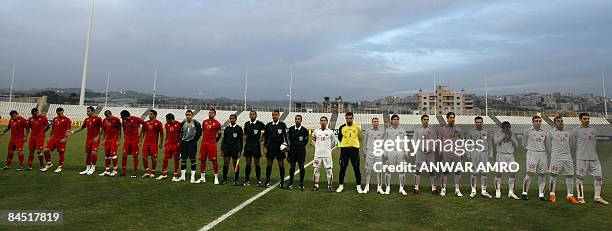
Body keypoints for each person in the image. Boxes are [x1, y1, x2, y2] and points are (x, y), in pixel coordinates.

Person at [571, 113, 609, 204]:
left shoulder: (593, 130)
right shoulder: (576, 131)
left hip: (594, 158)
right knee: (580, 177)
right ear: (580, 119)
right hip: (582, 158)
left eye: (588, 118)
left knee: (599, 177)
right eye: (584, 118)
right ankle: (580, 197)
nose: (587, 120)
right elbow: (572, 144)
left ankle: (597, 197)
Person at [546, 116, 578, 204]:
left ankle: (570, 195)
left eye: (561, 121)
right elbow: (548, 146)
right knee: (553, 175)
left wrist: (566, 152)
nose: (560, 122)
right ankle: (552, 194)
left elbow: (572, 144)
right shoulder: (550, 133)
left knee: (570, 175)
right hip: (556, 157)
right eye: (558, 121)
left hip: (567, 157)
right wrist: (554, 154)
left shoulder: (568, 132)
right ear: (555, 123)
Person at [521, 116, 548, 201]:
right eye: (536, 121)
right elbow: (524, 143)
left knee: (542, 174)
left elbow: (547, 144)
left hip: (543, 154)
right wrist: (531, 149)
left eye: (540, 121)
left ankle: (541, 195)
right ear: (533, 122)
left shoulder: (545, 132)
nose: (538, 122)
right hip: (532, 153)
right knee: (530, 173)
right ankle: (524, 193)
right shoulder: (527, 131)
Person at [466, 116, 493, 198]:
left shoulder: (486, 131)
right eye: (477, 122)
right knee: (474, 172)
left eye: (480, 122)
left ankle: (484, 191)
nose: (478, 123)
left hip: (484, 153)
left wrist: (491, 154)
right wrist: (468, 154)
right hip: (475, 153)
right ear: (474, 123)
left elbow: (490, 144)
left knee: (484, 172)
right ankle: (473, 190)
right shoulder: (471, 132)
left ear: (482, 122)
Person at [336, 112, 363, 193]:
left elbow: (360, 138)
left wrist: (353, 144)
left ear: (353, 118)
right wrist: (346, 144)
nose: (349, 120)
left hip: (354, 150)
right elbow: (340, 138)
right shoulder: (342, 127)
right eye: (348, 118)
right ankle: (341, 185)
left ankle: (358, 186)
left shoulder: (357, 127)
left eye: (350, 118)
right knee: (342, 168)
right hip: (344, 150)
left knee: (356, 168)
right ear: (345, 118)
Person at [72, 106, 103, 175]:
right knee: (88, 154)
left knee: (94, 153)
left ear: (92, 111)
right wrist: (72, 132)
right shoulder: (86, 119)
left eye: (88, 111)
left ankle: (93, 168)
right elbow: (82, 127)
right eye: (87, 111)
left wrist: (98, 137)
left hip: (95, 139)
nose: (87, 112)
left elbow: (102, 128)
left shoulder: (98, 118)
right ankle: (87, 168)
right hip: (88, 139)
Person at [412, 114, 438, 195]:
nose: (426, 121)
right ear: (421, 120)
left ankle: (434, 188)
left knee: (432, 171)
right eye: (424, 119)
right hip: (420, 153)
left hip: (430, 154)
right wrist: (421, 149)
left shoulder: (432, 130)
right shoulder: (417, 130)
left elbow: (435, 141)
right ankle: (416, 188)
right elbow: (415, 141)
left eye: (427, 119)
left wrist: (431, 149)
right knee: (418, 170)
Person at [493, 121, 520, 199]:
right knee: (499, 173)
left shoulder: (512, 133)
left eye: (508, 128)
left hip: (510, 156)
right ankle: (498, 191)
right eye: (505, 128)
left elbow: (516, 144)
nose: (507, 129)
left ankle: (511, 192)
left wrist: (510, 136)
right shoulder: (497, 133)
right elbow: (496, 142)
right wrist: (504, 135)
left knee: (512, 173)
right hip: (500, 155)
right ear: (502, 128)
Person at [438, 112, 463, 197]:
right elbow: (440, 141)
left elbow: (461, 141)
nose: (452, 119)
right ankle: (443, 189)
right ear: (447, 119)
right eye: (450, 117)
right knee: (445, 171)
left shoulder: (459, 129)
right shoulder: (442, 129)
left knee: (457, 172)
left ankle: (457, 189)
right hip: (446, 153)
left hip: (456, 153)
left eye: (453, 117)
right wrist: (440, 152)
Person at [382, 115, 408, 195]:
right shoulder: (387, 130)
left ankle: (401, 188)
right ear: (391, 121)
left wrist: (406, 152)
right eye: (394, 119)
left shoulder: (402, 130)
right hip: (390, 152)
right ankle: (388, 187)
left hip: (400, 152)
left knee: (402, 171)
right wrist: (385, 152)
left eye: (397, 119)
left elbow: (405, 142)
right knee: (388, 170)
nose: (396, 121)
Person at [42, 107, 72, 173]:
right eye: (58, 113)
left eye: (61, 112)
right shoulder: (55, 119)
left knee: (61, 153)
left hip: (61, 139)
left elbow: (68, 130)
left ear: (63, 111)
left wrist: (65, 138)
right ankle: (49, 164)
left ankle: (60, 166)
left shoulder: (67, 120)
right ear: (57, 113)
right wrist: (50, 137)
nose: (60, 113)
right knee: (46, 150)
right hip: (53, 138)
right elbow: (52, 129)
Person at [263, 110, 288, 188]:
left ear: (279, 115)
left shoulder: (282, 125)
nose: (274, 116)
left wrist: (287, 146)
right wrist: (264, 146)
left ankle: (282, 182)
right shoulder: (268, 125)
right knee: (269, 163)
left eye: (276, 115)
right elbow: (265, 137)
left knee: (281, 164)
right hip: (270, 147)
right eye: (273, 115)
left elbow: (286, 136)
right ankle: (267, 181)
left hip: (279, 148)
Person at [312, 116, 336, 192]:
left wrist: (329, 148)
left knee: (329, 171)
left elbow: (334, 142)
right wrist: (317, 146)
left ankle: (330, 186)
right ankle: (316, 185)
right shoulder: (316, 131)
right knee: (316, 170)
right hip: (317, 154)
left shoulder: (330, 132)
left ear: (327, 122)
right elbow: (313, 139)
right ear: (320, 122)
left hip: (327, 154)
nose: (323, 122)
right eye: (321, 120)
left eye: (324, 120)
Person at [242, 111, 266, 186]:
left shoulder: (260, 124)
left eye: (253, 114)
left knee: (257, 163)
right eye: (251, 114)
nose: (252, 116)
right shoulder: (247, 124)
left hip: (256, 145)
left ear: (256, 115)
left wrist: (262, 137)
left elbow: (266, 130)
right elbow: (245, 134)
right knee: (248, 163)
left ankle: (258, 180)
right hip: (248, 146)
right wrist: (245, 139)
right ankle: (247, 180)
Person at [178, 110, 202, 183]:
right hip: (184, 143)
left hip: (192, 144)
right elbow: (180, 132)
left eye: (189, 115)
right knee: (183, 160)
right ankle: (182, 176)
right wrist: (181, 141)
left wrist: (195, 140)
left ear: (192, 115)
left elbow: (199, 132)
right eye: (187, 115)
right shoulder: (183, 123)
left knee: (193, 160)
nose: (188, 116)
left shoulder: (196, 122)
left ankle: (192, 177)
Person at [362, 117, 384, 194]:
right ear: (372, 122)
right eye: (374, 121)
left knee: (379, 171)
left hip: (378, 154)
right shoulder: (368, 131)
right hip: (370, 153)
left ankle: (379, 187)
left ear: (379, 122)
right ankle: (366, 186)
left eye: (377, 121)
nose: (376, 122)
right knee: (368, 170)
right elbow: (365, 141)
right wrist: (365, 151)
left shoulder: (382, 131)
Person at [199, 109, 222, 184]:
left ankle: (216, 177)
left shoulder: (217, 123)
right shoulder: (204, 122)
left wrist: (214, 141)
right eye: (209, 113)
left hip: (212, 144)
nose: (210, 114)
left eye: (212, 113)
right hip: (204, 143)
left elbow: (219, 134)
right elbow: (203, 131)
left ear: (215, 114)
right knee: (202, 160)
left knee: (214, 160)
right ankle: (202, 177)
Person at [287, 115, 309, 191]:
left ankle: (301, 183)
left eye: (298, 119)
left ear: (301, 120)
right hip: (292, 151)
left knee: (301, 167)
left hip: (301, 151)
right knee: (292, 167)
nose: (297, 120)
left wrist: (299, 146)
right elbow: (288, 140)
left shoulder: (305, 130)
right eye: (296, 119)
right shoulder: (291, 129)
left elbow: (305, 141)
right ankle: (290, 183)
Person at [120, 110, 145, 178]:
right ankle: (123, 171)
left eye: (122, 117)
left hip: (135, 140)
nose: (122, 118)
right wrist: (125, 135)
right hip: (127, 140)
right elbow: (124, 129)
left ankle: (135, 172)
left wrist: (141, 134)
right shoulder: (123, 121)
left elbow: (144, 124)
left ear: (126, 116)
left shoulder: (135, 119)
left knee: (135, 156)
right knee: (124, 155)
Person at [140, 110, 164, 178]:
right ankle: (147, 171)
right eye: (149, 114)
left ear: (155, 115)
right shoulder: (146, 123)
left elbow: (162, 134)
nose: (149, 115)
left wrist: (161, 143)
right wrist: (140, 141)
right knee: (144, 157)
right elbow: (142, 132)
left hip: (154, 144)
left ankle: (152, 172)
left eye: (151, 114)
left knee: (153, 158)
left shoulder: (158, 123)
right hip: (146, 143)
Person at [157, 113, 181, 181]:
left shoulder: (178, 124)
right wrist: (165, 142)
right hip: (169, 144)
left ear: (170, 119)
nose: (166, 121)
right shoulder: (166, 125)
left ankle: (175, 175)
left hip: (176, 145)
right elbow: (167, 133)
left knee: (176, 160)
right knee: (165, 159)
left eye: (167, 120)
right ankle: (164, 174)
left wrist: (179, 142)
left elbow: (181, 133)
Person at [221, 114, 243, 186]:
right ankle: (224, 179)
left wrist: (240, 150)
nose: (232, 120)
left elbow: (241, 140)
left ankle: (236, 180)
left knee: (235, 164)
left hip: (235, 148)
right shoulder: (227, 128)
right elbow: (223, 140)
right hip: (227, 148)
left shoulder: (239, 128)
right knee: (226, 163)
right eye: (230, 118)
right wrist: (222, 149)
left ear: (236, 119)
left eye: (233, 118)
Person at [99, 110, 121, 177]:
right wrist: (103, 140)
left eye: (109, 116)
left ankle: (115, 170)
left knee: (113, 155)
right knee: (107, 155)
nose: (108, 118)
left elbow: (119, 131)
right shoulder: (104, 120)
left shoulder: (116, 120)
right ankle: (107, 171)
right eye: (106, 116)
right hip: (107, 140)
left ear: (111, 114)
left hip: (114, 139)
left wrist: (118, 140)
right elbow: (103, 130)